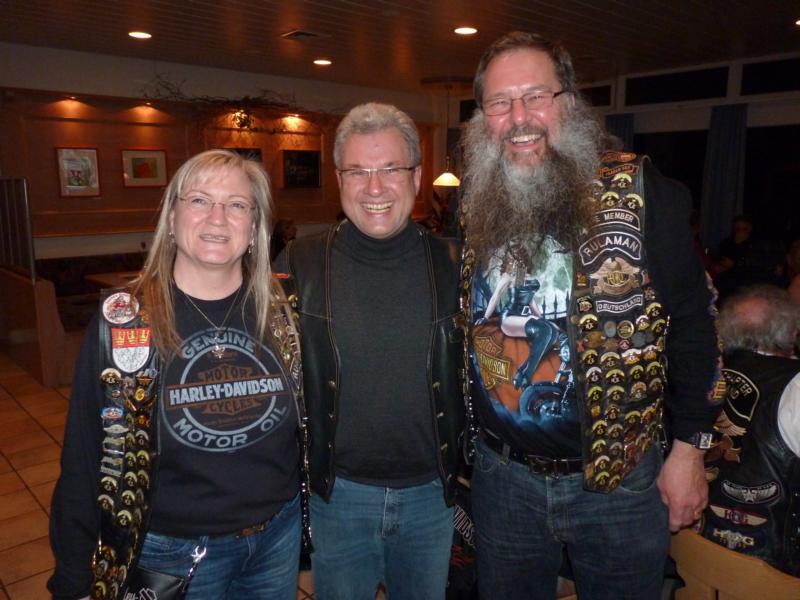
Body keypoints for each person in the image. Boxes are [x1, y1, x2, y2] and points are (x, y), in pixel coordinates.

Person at [459, 32, 722, 599]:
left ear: (570, 103)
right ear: (483, 118)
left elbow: (695, 323)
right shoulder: (476, 201)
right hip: (503, 477)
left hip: (619, 482)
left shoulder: (643, 192)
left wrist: (689, 449)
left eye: (536, 96)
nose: (519, 118)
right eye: (500, 102)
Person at [48, 149, 308, 600]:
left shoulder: (285, 311)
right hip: (170, 551)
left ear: (254, 228)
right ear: (172, 218)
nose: (217, 217)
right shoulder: (125, 322)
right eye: (200, 200)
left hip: (275, 539)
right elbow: (84, 456)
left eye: (237, 204)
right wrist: (73, 577)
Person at [276, 102, 465, 600]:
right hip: (338, 496)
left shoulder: (456, 265)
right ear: (340, 179)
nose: (374, 187)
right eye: (358, 171)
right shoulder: (300, 263)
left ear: (417, 177)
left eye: (390, 170)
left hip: (431, 495)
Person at [702, 285, 800, 576]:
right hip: (772, 568)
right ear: (792, 333)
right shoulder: (795, 387)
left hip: (696, 549)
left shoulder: (697, 374)